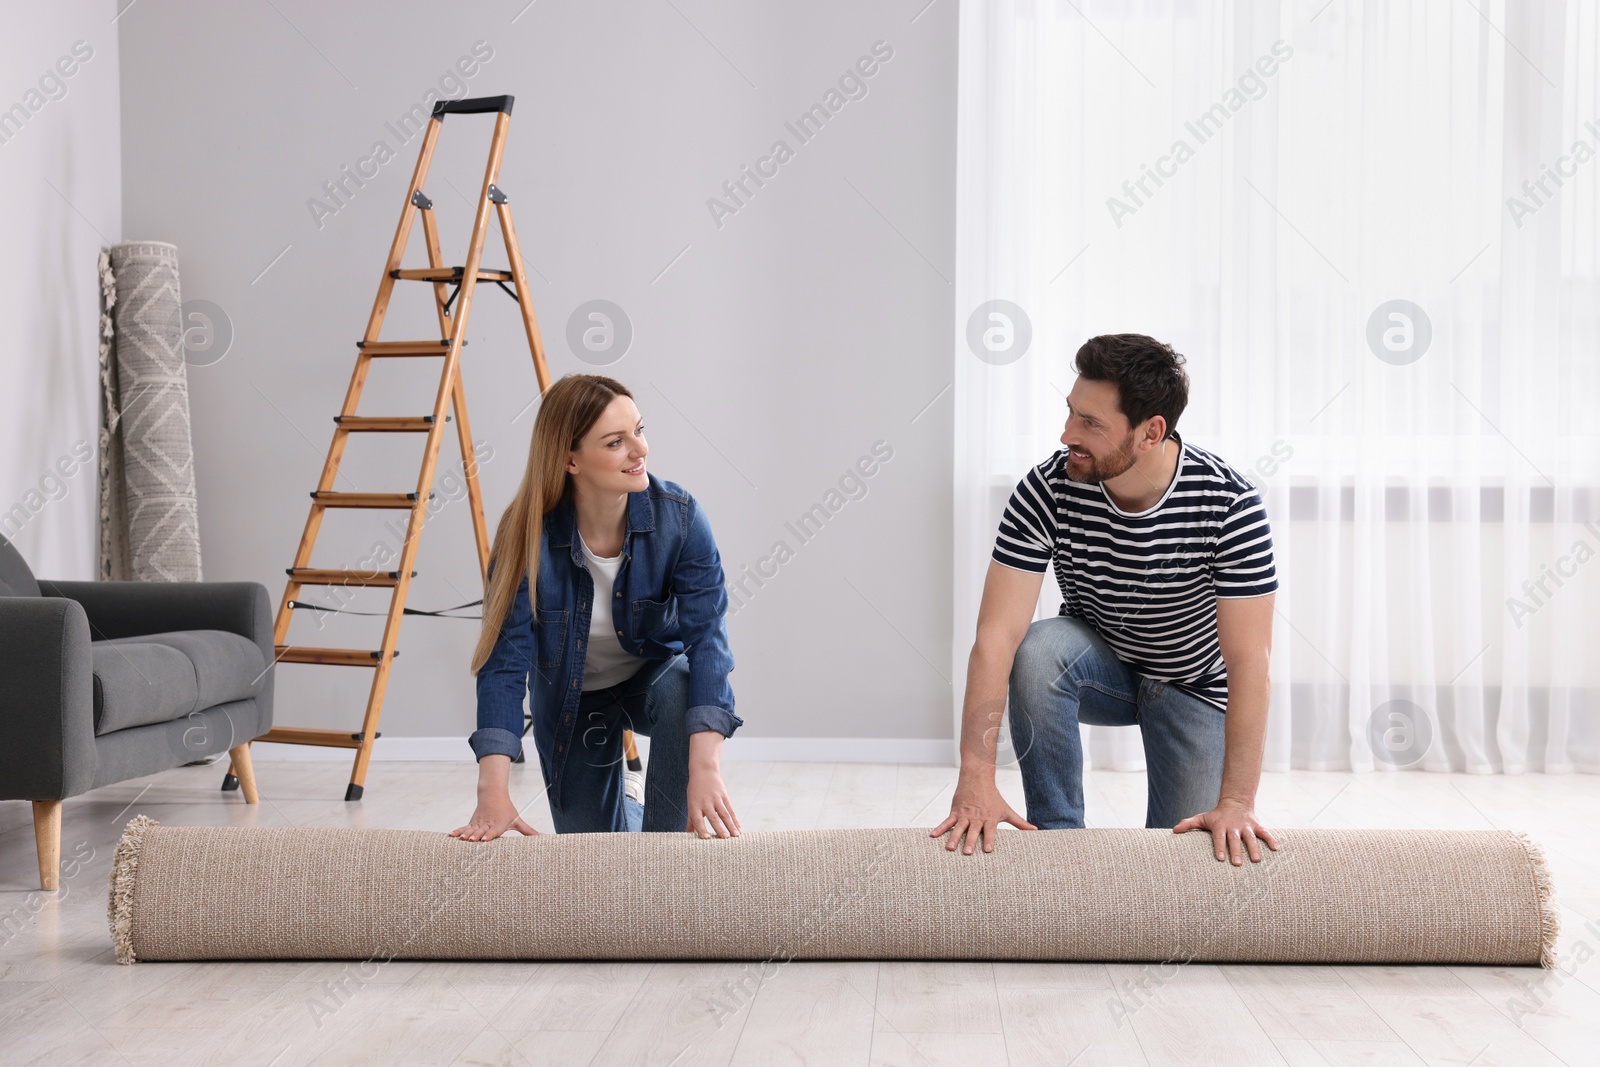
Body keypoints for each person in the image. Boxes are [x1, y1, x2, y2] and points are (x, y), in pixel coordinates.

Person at [934, 333, 1280, 865]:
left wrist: (1237, 802)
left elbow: (1248, 661)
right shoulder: (1048, 487)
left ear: (1151, 432)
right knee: (1037, 648)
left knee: (1182, 865)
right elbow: (995, 635)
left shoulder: (1229, 504)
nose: (1068, 433)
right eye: (1072, 412)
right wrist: (975, 778)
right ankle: (1060, 850)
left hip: (1191, 686)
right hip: (1101, 668)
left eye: (1091, 424)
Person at [450, 374, 743, 841]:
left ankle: (662, 855)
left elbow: (709, 642)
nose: (640, 450)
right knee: (596, 854)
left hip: (652, 682)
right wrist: (492, 791)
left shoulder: (680, 518)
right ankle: (627, 791)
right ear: (570, 459)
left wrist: (704, 767)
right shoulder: (525, 535)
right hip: (572, 704)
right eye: (615, 442)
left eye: (640, 431)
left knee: (681, 689)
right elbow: (503, 666)